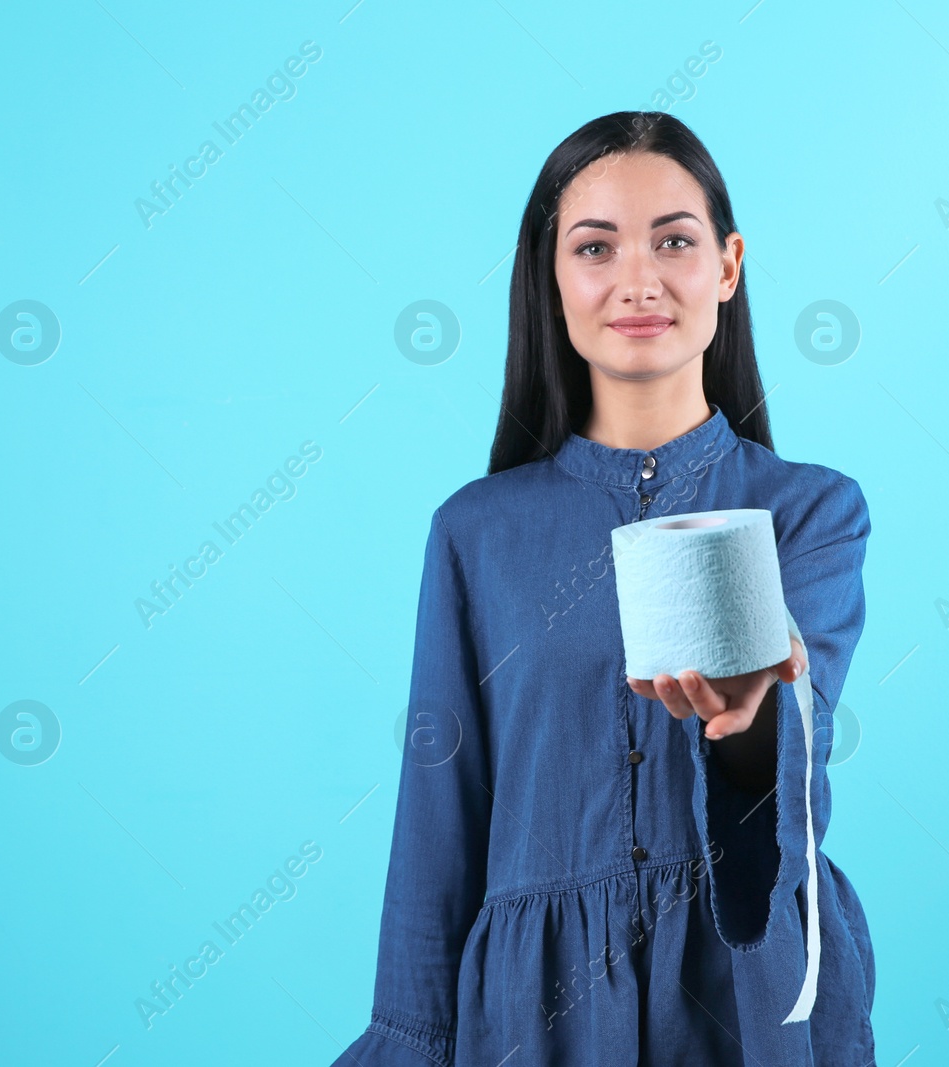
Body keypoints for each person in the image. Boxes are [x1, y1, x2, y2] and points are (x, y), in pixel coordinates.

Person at [333, 111, 876, 1066]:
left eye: (675, 239)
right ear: (551, 277)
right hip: (535, 1014)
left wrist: (750, 719)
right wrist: (410, 1038)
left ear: (728, 265)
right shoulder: (476, 531)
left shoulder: (811, 511)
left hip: (748, 987)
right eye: (595, 247)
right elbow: (438, 814)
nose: (639, 279)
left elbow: (803, 736)